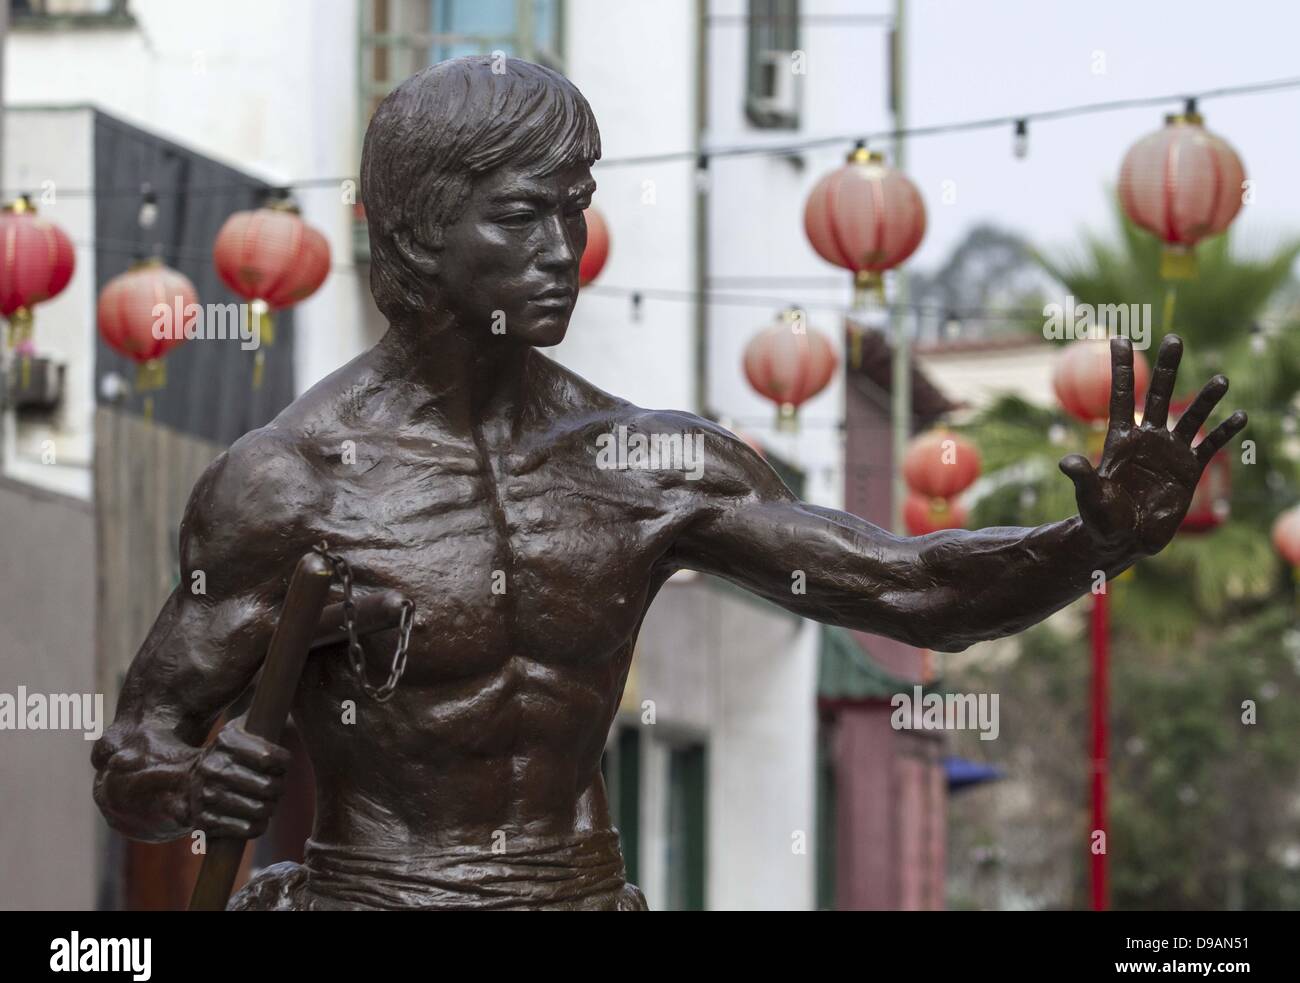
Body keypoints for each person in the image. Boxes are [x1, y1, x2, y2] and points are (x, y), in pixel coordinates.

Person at [91, 56, 1246, 910]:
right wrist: (193, 784)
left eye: (574, 208)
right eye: (521, 214)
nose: (564, 246)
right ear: (417, 237)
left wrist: (1083, 544)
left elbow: (906, 590)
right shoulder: (289, 482)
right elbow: (136, 754)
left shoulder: (643, 463)